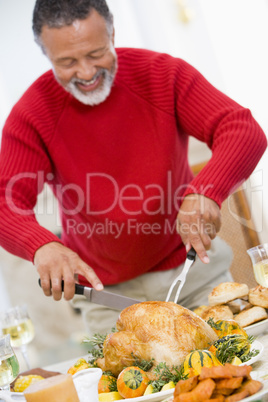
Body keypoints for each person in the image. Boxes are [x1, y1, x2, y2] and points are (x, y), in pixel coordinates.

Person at [0, 0, 266, 335]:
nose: (85, 72)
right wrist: (40, 244)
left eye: (96, 53)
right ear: (45, 53)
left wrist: (206, 192)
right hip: (108, 302)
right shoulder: (32, 113)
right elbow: (5, 199)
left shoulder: (162, 73)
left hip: (195, 278)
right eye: (66, 62)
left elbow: (242, 129)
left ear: (112, 32)